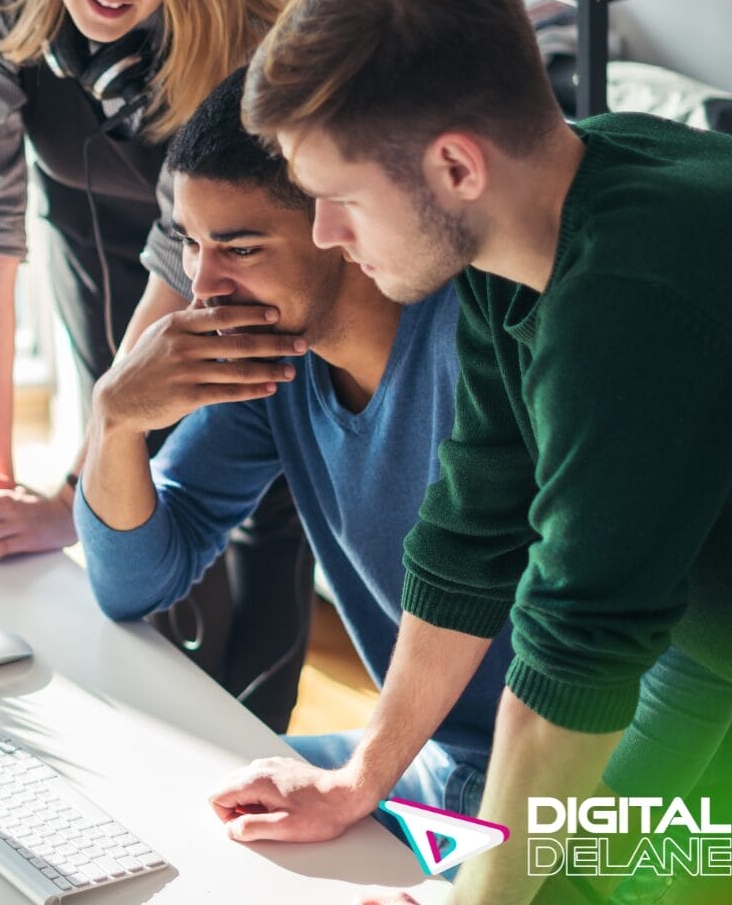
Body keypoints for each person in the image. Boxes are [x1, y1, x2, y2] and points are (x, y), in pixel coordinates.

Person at [204, 0, 732, 905]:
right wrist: (359, 778)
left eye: (340, 200)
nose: (323, 236)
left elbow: (575, 644)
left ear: (454, 168)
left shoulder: (629, 297)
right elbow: (470, 536)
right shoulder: (524, 241)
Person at [0, 0, 310, 730]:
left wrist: (73, 491)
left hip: (232, 301)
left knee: (242, 636)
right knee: (129, 601)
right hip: (96, 267)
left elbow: (185, 254)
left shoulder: (259, 39)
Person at [73, 66, 516, 821]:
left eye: (240, 249)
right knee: (147, 801)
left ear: (341, 228)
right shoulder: (272, 365)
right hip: (427, 766)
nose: (202, 286)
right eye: (192, 243)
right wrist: (115, 419)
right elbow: (133, 584)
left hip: (562, 793)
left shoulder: (477, 348)